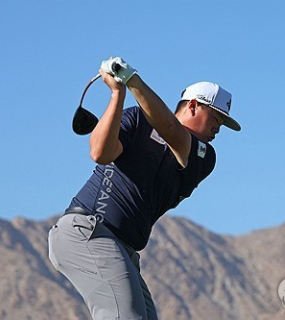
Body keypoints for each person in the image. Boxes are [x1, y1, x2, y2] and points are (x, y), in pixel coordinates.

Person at [48, 57, 241, 320]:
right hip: (87, 232)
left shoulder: (205, 156)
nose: (218, 128)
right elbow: (100, 153)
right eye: (216, 118)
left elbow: (171, 130)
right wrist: (118, 94)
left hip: (121, 249)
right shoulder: (137, 119)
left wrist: (133, 80)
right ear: (194, 106)